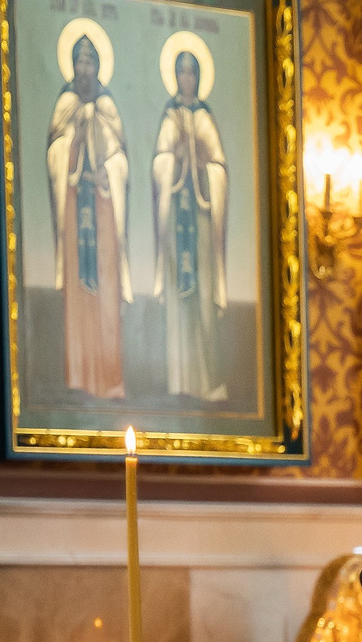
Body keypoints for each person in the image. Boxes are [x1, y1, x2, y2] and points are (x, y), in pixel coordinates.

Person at [46, 30, 130, 399]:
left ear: (98, 66)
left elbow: (119, 157)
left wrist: (107, 173)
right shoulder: (65, 104)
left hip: (103, 209)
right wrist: (75, 144)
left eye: (90, 61)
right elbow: (56, 153)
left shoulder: (109, 108)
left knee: (106, 291)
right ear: (72, 65)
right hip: (74, 206)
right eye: (79, 61)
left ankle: (110, 378)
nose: (85, 68)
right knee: (79, 293)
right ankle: (78, 375)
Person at [151, 46, 230, 403]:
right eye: (182, 71)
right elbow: (160, 164)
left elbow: (219, 168)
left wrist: (202, 166)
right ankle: (179, 381)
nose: (187, 78)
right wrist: (173, 160)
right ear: (175, 76)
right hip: (176, 222)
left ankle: (209, 383)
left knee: (202, 299)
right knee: (178, 302)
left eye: (192, 71)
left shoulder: (205, 117)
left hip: (199, 220)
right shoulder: (169, 117)